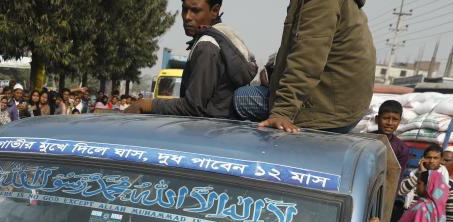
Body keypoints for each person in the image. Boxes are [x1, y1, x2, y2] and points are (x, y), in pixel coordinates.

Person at [127, 0, 258, 119]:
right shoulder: (221, 37)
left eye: (195, 10)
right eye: (185, 9)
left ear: (214, 10)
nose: (187, 17)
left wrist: (146, 105)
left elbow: (193, 107)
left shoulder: (207, 46)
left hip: (206, 134)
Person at [259, 0, 375, 133]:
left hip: (325, 110)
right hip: (343, 107)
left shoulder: (321, 2)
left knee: (241, 98)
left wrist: (282, 112)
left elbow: (306, 60)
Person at [398, 144, 453, 222]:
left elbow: (450, 213)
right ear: (423, 159)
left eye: (435, 158)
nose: (431, 161)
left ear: (441, 160)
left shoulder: (449, 184)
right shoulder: (414, 174)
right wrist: (420, 173)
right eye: (428, 157)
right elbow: (401, 191)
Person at [375, 99, 409, 183]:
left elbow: (396, 179)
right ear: (377, 119)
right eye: (386, 118)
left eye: (394, 119)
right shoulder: (366, 139)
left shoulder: (402, 149)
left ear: (399, 122)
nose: (390, 123)